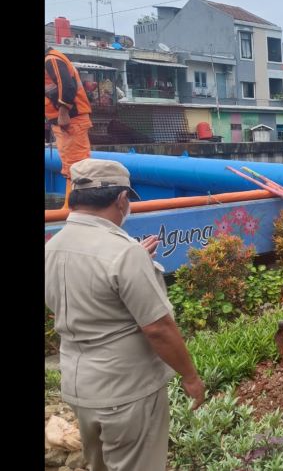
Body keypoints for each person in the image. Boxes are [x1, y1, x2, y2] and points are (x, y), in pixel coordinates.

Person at [45, 158, 205, 471]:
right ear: (121, 200)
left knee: (100, 464)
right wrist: (191, 377)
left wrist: (135, 261)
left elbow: (82, 291)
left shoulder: (54, 246)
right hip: (126, 390)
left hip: (81, 386)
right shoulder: (123, 252)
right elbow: (158, 328)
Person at [45, 44, 94, 208]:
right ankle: (71, 206)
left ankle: (75, 208)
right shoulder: (50, 60)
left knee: (77, 166)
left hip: (71, 120)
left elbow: (67, 86)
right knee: (71, 166)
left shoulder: (51, 60)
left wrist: (63, 112)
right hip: (65, 122)